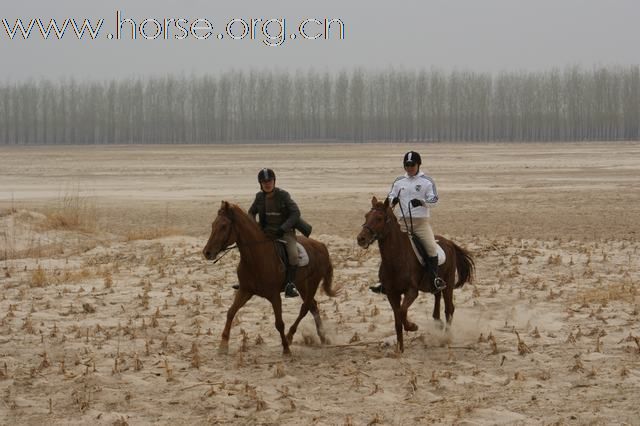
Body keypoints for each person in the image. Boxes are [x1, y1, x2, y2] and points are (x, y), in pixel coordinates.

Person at [370, 151, 447, 295]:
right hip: (402, 224)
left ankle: (435, 279)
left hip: (420, 224)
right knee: (390, 249)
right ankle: (384, 282)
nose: (410, 167)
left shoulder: (427, 182)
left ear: (418, 165)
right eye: (407, 165)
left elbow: (434, 200)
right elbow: (391, 196)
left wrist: (422, 202)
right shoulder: (399, 182)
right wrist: (394, 200)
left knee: (431, 249)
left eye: (412, 165)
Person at [247, 168, 301, 298]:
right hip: (266, 233)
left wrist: (283, 228)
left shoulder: (283, 195)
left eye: (269, 180)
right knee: (249, 251)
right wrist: (254, 227)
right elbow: (251, 212)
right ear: (260, 183)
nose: (267, 183)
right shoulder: (259, 197)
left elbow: (296, 213)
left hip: (285, 232)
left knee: (293, 255)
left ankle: (290, 285)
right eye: (264, 181)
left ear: (274, 181)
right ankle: (247, 280)